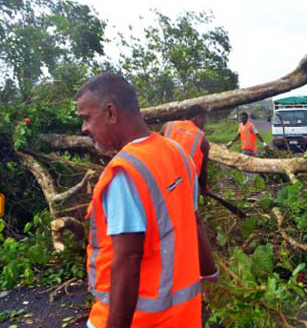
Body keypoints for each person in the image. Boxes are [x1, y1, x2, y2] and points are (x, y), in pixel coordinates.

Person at [76, 73, 216, 328]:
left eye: (87, 118)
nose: (85, 128)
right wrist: (211, 276)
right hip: (183, 318)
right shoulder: (179, 154)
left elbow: (127, 259)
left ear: (110, 113)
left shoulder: (124, 172)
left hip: (141, 320)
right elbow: (194, 223)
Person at [160, 105, 210, 196]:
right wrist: (203, 188)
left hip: (163, 179)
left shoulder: (167, 126)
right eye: (204, 120)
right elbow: (203, 171)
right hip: (187, 186)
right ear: (198, 118)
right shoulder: (202, 139)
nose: (204, 124)